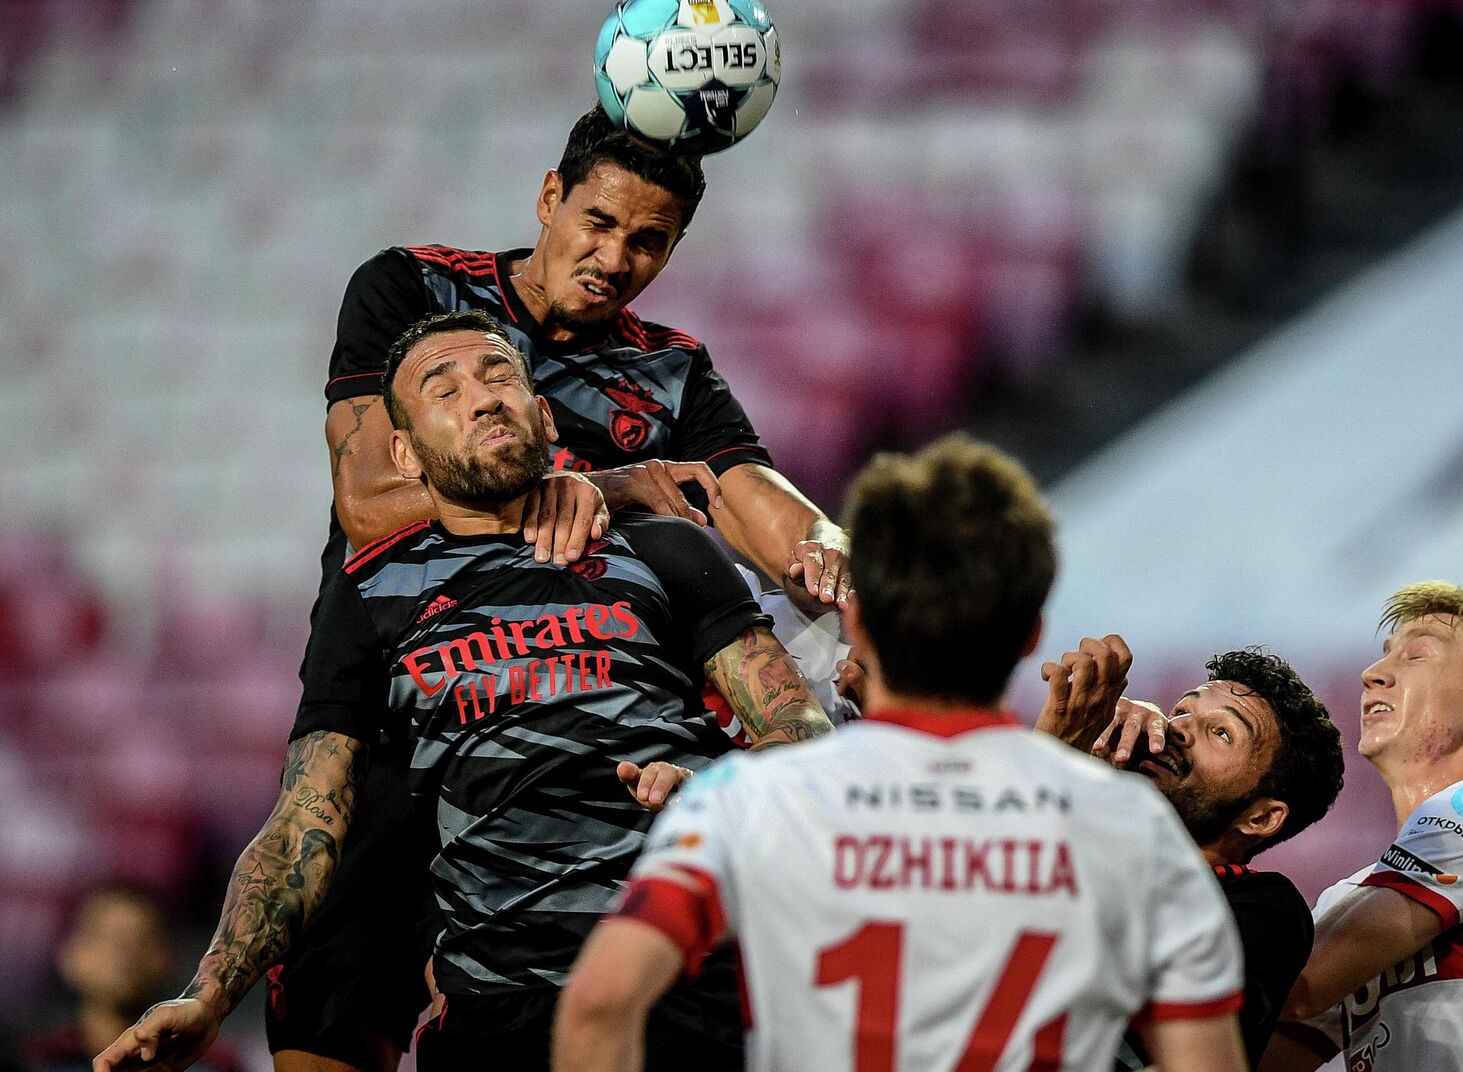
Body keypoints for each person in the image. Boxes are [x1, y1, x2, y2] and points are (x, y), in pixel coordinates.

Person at [93, 312, 833, 1072]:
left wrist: (719, 783)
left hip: (683, 974)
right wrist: (210, 996)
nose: (481, 400)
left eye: (499, 377)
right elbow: (306, 819)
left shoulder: (662, 546)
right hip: (497, 1005)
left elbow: (806, 734)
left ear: (542, 414)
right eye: (442, 390)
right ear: (406, 457)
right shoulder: (372, 593)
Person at [284, 106, 854, 1072]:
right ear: (550, 196)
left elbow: (754, 500)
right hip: (409, 698)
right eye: (597, 222)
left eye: (649, 242)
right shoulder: (412, 293)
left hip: (585, 746)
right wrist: (600, 483)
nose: (614, 257)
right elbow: (369, 499)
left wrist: (840, 554)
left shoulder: (670, 373)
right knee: (333, 1020)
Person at [554, 435, 1251, 1072]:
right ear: (1032, 633)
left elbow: (597, 1006)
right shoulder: (1135, 834)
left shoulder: (741, 800)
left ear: (856, 614)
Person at [1261, 581, 1463, 1072]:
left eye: (1415, 656)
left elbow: (1298, 983)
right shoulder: (1347, 899)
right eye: (1384, 655)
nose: (1373, 674)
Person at [1031, 641, 1345, 1069]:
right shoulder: (1084, 835)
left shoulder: (1265, 909)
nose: (1177, 729)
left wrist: (1063, 772)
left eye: (1221, 732)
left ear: (1260, 817)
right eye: (1181, 710)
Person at [13, 884, 244, 1072]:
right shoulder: (33, 1059)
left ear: (168, 957)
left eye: (139, 939)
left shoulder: (210, 1063)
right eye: (107, 937)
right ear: (70, 954)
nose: (122, 952)